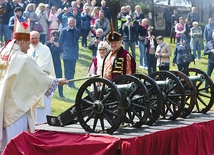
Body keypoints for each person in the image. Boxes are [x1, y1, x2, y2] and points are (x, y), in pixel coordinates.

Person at [0, 18, 68, 152]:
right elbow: (39, 77)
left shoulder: (4, 53)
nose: (29, 47)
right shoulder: (23, 58)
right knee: (16, 145)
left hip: (4, 104)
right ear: (23, 41)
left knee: (4, 146)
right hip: (16, 109)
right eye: (28, 44)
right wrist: (56, 81)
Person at [27, 31, 55, 124]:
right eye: (32, 38)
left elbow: (44, 66)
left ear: (39, 38)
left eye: (36, 38)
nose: (34, 40)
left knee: (42, 114)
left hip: (42, 83)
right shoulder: (27, 49)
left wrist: (31, 73)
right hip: (30, 84)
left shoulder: (45, 49)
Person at [59, 17, 80, 88]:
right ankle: (67, 82)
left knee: (72, 69)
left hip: (74, 53)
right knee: (67, 69)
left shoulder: (76, 30)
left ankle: (72, 82)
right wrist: (63, 50)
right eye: (70, 21)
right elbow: (60, 41)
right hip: (66, 53)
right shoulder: (64, 31)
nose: (71, 22)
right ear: (68, 22)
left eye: (73, 21)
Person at [45, 30, 64, 98]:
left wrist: (58, 46)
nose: (55, 37)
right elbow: (44, 50)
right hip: (49, 63)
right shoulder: (47, 43)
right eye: (53, 36)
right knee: (48, 78)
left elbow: (62, 50)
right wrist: (50, 43)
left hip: (57, 63)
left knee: (59, 77)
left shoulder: (59, 43)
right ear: (51, 36)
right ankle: (46, 92)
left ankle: (61, 93)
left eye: (56, 36)